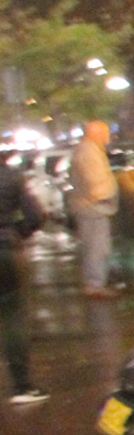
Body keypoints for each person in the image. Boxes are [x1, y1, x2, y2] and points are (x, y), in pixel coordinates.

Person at [0, 160, 47, 405]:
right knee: (12, 316)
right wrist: (19, 231)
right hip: (5, 249)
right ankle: (21, 386)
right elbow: (36, 215)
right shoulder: (12, 176)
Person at [67, 120, 119, 299]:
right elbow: (96, 182)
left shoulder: (88, 150)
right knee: (97, 247)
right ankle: (95, 284)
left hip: (92, 208)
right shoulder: (89, 152)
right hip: (93, 209)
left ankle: (96, 282)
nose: (107, 137)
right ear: (96, 133)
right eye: (105, 133)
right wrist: (100, 197)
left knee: (97, 246)